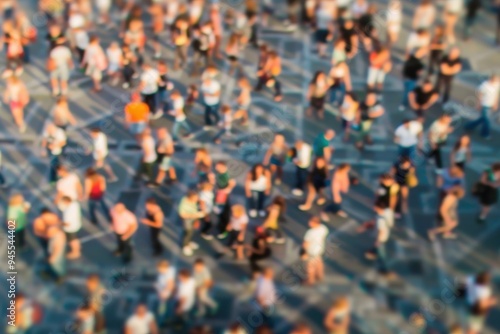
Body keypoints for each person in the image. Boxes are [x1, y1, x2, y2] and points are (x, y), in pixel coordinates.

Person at [357, 200, 395, 279]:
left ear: (378, 207)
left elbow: (381, 231)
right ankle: (372, 251)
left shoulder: (380, 220)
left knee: (382, 255)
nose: (373, 208)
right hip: (385, 236)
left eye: (375, 206)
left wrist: (377, 241)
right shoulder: (388, 211)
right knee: (379, 250)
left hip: (381, 239)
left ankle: (384, 269)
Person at [465, 75, 500, 139]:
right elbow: (480, 95)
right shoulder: (485, 85)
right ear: (492, 79)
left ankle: (469, 126)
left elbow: (496, 94)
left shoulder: (497, 84)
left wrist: (496, 103)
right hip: (485, 104)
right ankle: (485, 133)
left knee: (483, 118)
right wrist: (479, 104)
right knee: (486, 120)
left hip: (491, 104)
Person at [302, 216, 329, 285]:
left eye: (311, 222)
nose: (309, 223)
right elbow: (323, 237)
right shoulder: (323, 228)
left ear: (315, 223)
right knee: (319, 262)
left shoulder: (310, 232)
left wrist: (304, 252)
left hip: (312, 251)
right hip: (319, 249)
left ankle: (311, 280)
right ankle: (320, 276)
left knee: (310, 266)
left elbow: (306, 243)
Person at [178, 190, 206, 256]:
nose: (197, 199)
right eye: (195, 198)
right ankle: (185, 245)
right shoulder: (185, 203)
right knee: (188, 233)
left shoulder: (194, 201)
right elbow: (182, 214)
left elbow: (200, 202)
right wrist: (196, 215)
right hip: (188, 221)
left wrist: (202, 208)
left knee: (191, 232)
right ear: (190, 197)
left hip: (193, 218)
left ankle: (188, 242)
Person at [398, 47, 425, 112]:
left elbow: (419, 73)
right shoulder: (412, 58)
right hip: (407, 78)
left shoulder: (419, 63)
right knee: (407, 92)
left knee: (408, 92)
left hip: (412, 79)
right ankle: (407, 103)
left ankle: (404, 104)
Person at [155, 260, 176, 324]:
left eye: (159, 269)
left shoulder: (168, 274)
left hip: (165, 295)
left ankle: (161, 321)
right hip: (164, 293)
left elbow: (170, 285)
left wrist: (163, 293)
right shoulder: (169, 271)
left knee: (163, 308)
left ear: (164, 268)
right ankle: (165, 318)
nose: (158, 270)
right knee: (165, 307)